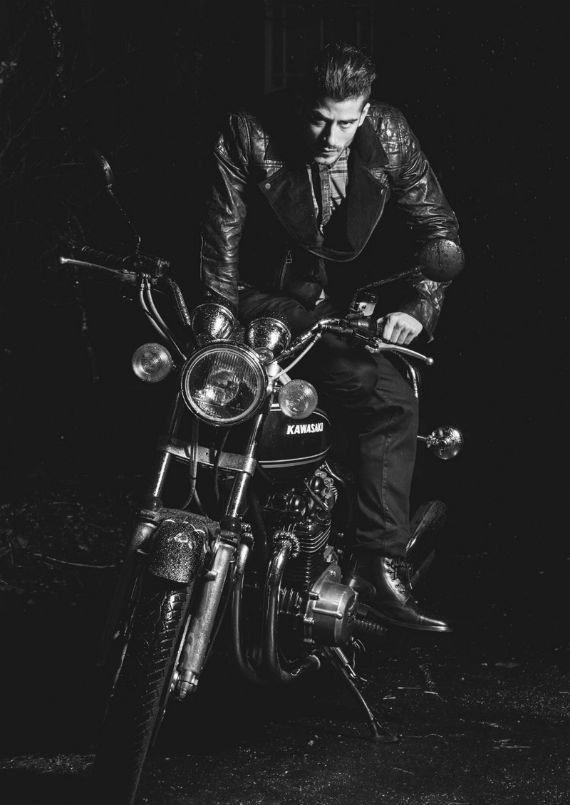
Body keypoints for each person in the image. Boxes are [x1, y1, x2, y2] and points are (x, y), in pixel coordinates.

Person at [199, 42, 461, 631]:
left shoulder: (389, 134)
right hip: (263, 299)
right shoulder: (249, 131)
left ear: (365, 111)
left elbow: (438, 232)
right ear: (301, 104)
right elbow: (222, 235)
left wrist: (417, 306)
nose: (330, 136)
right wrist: (215, 326)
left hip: (340, 307)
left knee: (391, 399)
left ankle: (376, 565)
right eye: (320, 119)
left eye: (345, 122)